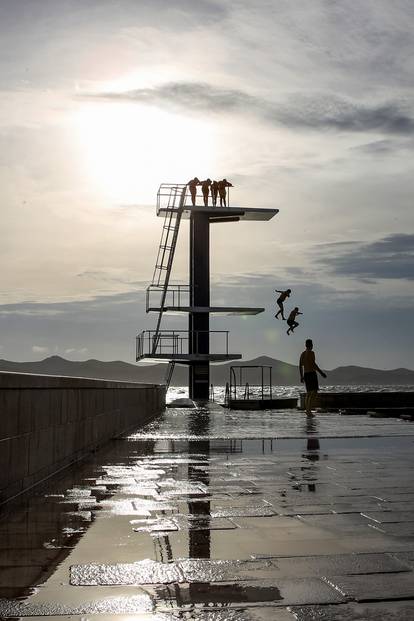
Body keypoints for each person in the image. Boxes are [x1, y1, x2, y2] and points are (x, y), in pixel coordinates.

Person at [299, 339, 327, 416]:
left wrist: (301, 376)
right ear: (311, 345)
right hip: (311, 374)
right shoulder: (311, 353)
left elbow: (300, 366)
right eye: (311, 344)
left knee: (309, 393)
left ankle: (307, 410)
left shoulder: (302, 354)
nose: (312, 346)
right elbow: (313, 364)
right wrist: (321, 373)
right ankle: (308, 411)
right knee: (314, 392)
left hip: (306, 374)